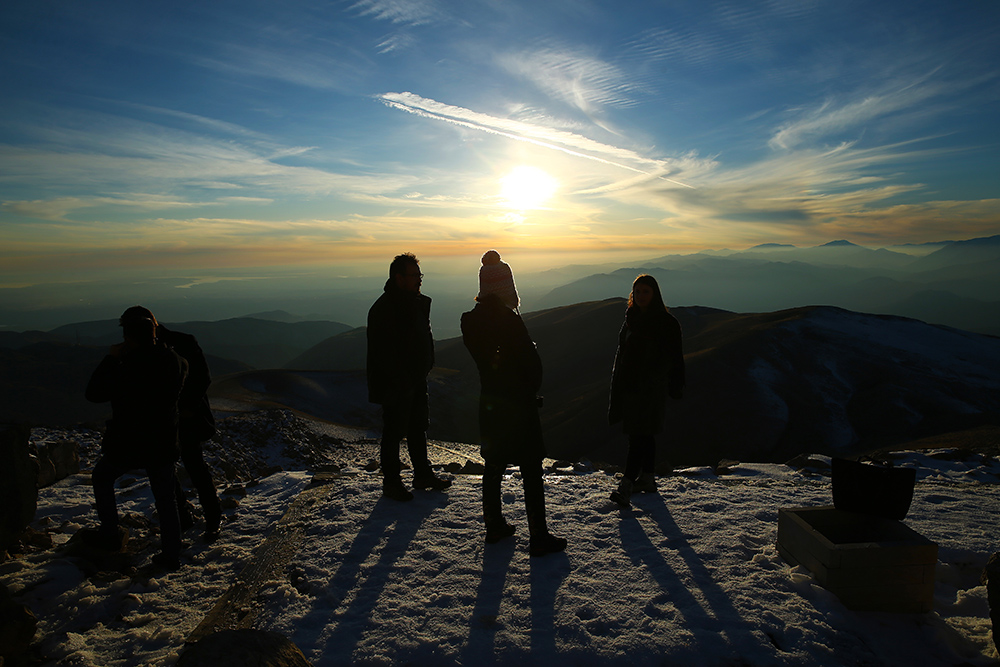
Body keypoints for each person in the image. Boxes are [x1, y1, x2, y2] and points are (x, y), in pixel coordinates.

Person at [461, 250, 566, 556]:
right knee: (531, 467)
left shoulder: (470, 322)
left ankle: (494, 524)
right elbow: (532, 367)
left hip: (491, 403)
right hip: (519, 405)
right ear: (507, 289)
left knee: (494, 464)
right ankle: (539, 536)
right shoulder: (510, 322)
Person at [83, 309, 188, 569]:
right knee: (165, 497)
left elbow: (94, 393)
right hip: (163, 440)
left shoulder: (127, 366)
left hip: (128, 441)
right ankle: (171, 554)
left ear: (128, 337)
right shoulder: (176, 361)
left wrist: (111, 358)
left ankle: (110, 534)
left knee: (102, 477)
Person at [118, 306, 222, 542]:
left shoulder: (181, 342)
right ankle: (185, 516)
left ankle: (212, 517)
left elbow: (202, 377)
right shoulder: (135, 349)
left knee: (193, 465)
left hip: (183, 419)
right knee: (168, 470)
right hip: (159, 421)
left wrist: (187, 408)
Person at [367, 253, 451, 501]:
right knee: (393, 431)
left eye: (419, 275)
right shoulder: (385, 309)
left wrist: (424, 367)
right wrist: (400, 379)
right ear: (399, 277)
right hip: (396, 381)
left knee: (417, 427)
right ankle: (391, 482)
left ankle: (422, 474)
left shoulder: (413, 303)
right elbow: (384, 352)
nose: (419, 280)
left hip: (415, 377)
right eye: (414, 275)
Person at [608, 274, 685, 507]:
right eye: (638, 292)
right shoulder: (630, 319)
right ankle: (648, 478)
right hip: (630, 386)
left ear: (655, 294)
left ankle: (627, 484)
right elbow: (621, 354)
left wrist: (670, 383)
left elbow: (674, 358)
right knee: (645, 433)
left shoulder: (665, 323)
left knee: (637, 434)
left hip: (650, 388)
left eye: (646, 292)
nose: (641, 296)